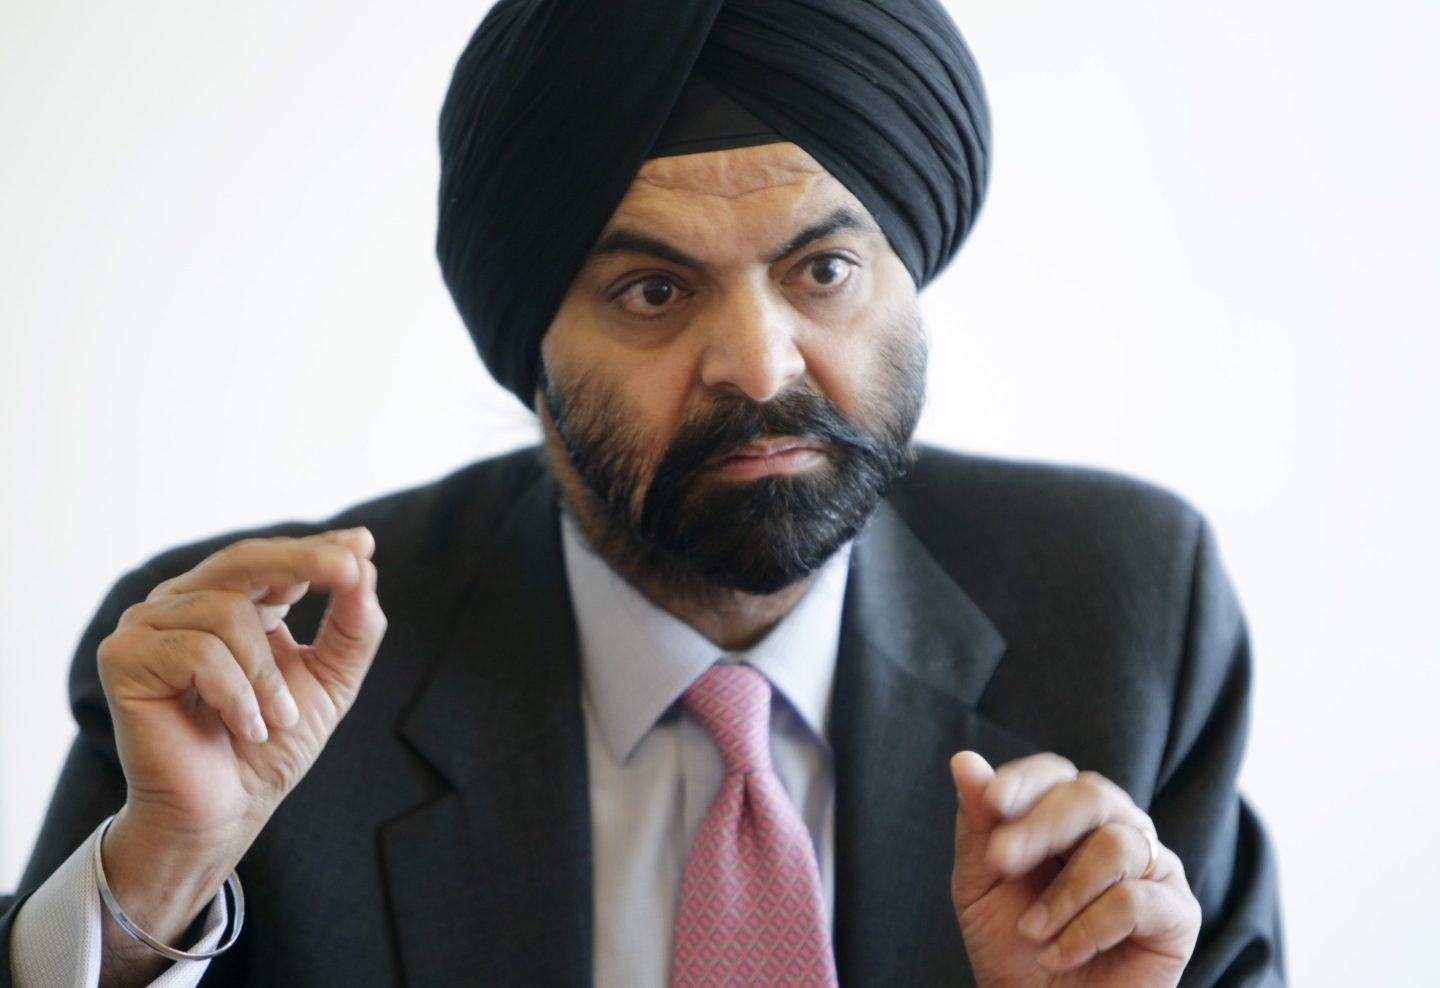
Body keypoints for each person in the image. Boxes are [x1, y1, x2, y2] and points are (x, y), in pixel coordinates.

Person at [2, 1, 1284, 985]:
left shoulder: (1127, 611)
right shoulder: (260, 679)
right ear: (529, 353)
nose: (761, 364)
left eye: (824, 269)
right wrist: (156, 885)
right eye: (654, 291)